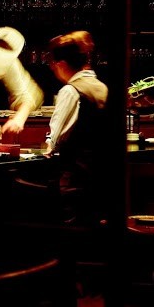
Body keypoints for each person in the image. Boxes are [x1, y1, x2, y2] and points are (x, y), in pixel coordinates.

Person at [42, 30, 108, 223]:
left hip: (74, 181)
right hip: (99, 180)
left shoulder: (71, 91)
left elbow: (56, 141)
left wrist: (48, 146)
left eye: (54, 66)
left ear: (61, 64)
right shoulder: (101, 87)